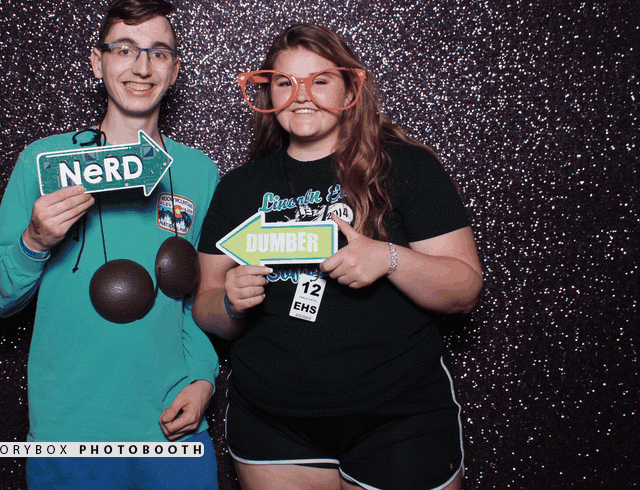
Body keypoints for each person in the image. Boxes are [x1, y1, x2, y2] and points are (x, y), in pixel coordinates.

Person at [193, 24, 483, 490]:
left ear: (350, 88)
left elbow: (464, 291)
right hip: (273, 423)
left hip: (398, 417)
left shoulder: (405, 167)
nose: (301, 96)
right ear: (269, 94)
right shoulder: (239, 188)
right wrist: (229, 301)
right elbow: (205, 306)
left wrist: (389, 258)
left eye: (320, 80)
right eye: (285, 83)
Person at [0, 0, 219, 489]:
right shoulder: (42, 162)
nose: (142, 67)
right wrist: (34, 240)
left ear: (174, 70)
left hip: (172, 429)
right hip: (71, 432)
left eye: (158, 52)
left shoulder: (198, 172)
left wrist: (203, 377)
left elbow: (197, 296)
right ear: (97, 62)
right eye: (124, 49)